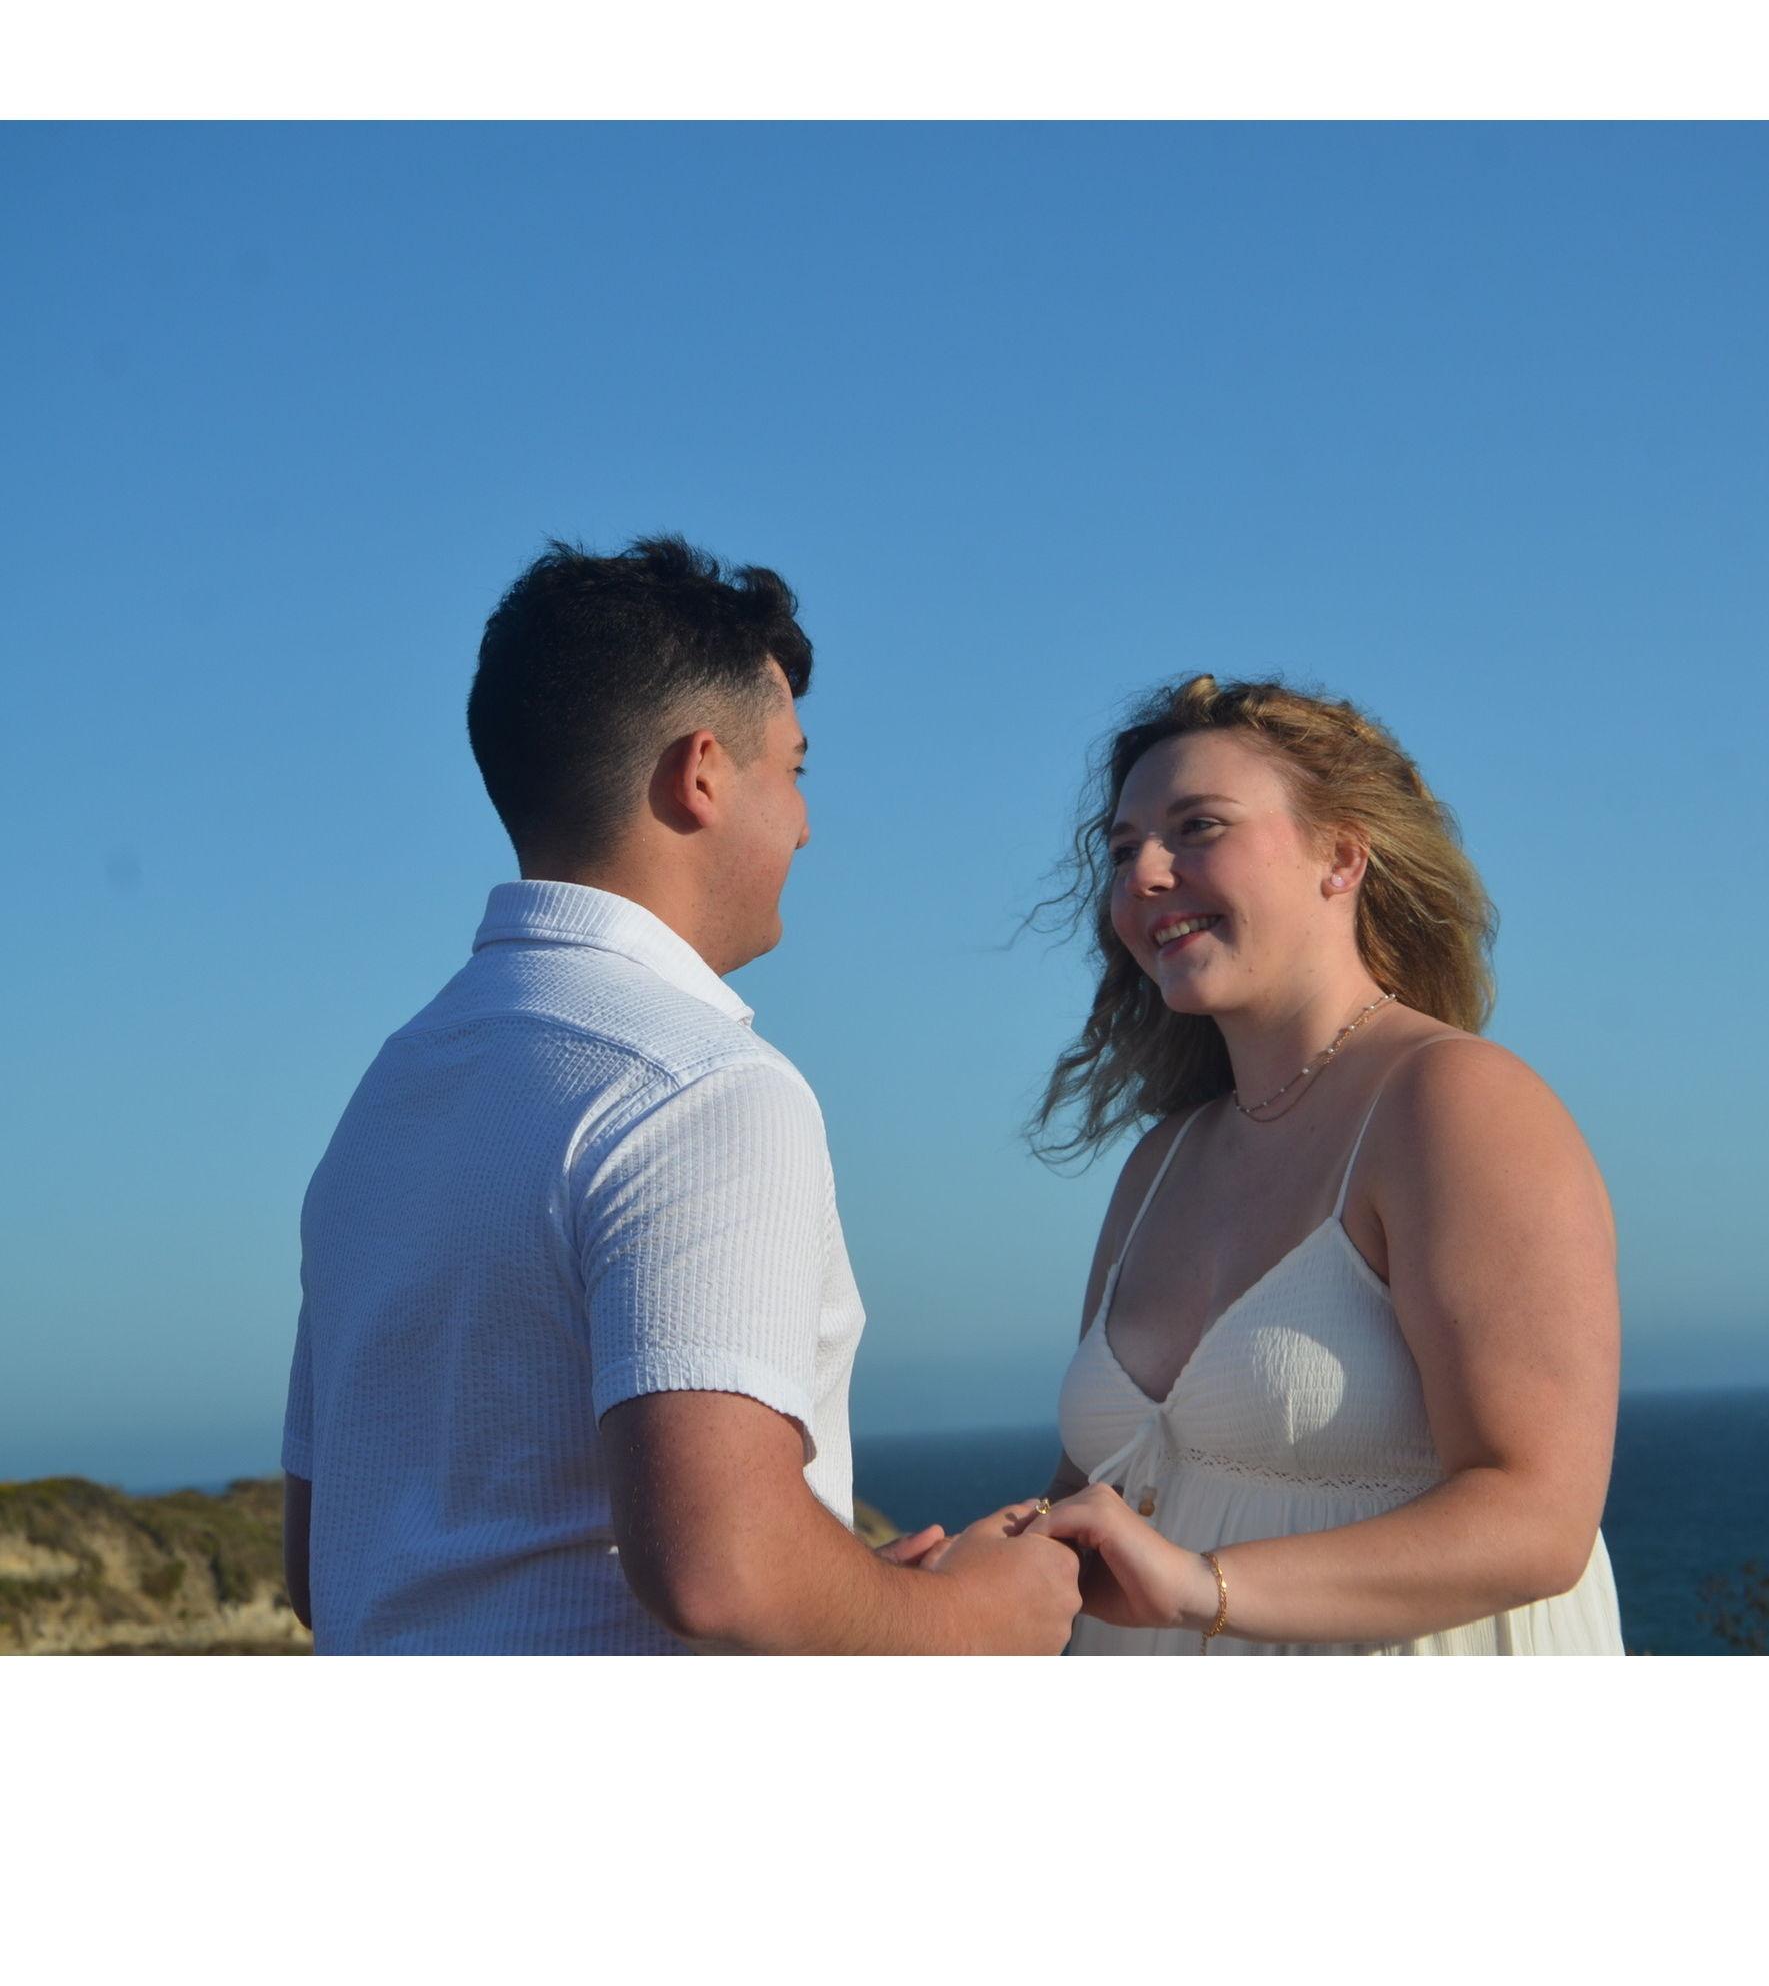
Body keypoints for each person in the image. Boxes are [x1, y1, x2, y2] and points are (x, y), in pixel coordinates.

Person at [280, 535, 1078, 1654]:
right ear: (701, 772)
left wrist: (849, 1599)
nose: (805, 821)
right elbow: (724, 1572)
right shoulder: (699, 1088)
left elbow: (324, 1564)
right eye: (793, 770)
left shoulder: (389, 1099)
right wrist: (971, 1616)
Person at [1020, 674, 1623, 1654]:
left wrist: (1197, 1584)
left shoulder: (1455, 1103)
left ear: (1341, 856)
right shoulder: (1161, 1161)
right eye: (1123, 849)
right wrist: (962, 1577)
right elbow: (1095, 1489)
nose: (1144, 875)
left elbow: (1537, 1519)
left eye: (1197, 828)